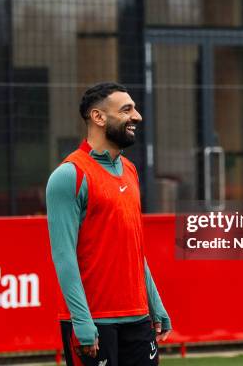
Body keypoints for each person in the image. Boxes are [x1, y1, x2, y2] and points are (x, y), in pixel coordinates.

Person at [46, 82, 171, 365]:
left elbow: (134, 248)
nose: (137, 116)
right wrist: (82, 321)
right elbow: (64, 257)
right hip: (94, 322)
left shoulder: (130, 170)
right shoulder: (69, 175)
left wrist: (154, 302)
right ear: (98, 117)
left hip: (138, 319)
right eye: (126, 110)